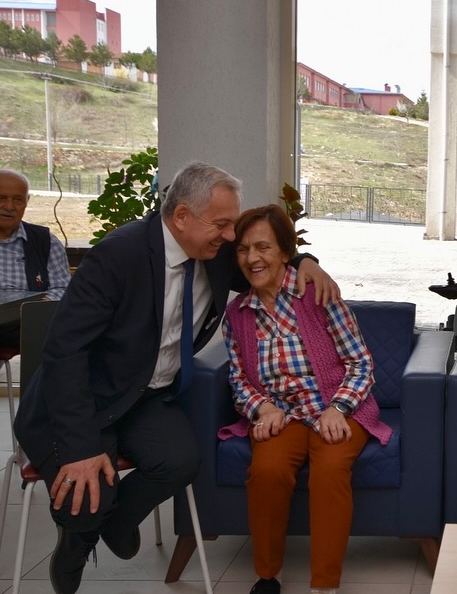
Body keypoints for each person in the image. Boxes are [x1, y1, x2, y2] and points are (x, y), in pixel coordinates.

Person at [13, 162, 340, 594]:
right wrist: (81, 449)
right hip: (82, 401)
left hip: (143, 398)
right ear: (182, 216)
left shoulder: (214, 251)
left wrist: (305, 261)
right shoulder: (119, 255)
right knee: (86, 499)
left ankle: (119, 521)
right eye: (222, 225)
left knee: (181, 461)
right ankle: (79, 540)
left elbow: (265, 257)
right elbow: (64, 353)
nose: (231, 237)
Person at [222, 205, 390, 594]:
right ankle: (267, 576)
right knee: (266, 471)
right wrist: (262, 408)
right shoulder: (237, 312)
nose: (252, 258)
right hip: (281, 414)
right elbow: (238, 377)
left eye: (263, 247)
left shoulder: (316, 295)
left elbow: (361, 363)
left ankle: (325, 585)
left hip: (338, 407)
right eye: (244, 249)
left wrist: (339, 407)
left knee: (330, 470)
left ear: (286, 252)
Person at [0, 169, 71, 348]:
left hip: (26, 326)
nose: (9, 206)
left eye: (18, 199)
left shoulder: (45, 242)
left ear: (27, 202)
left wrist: (37, 307)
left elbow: (63, 288)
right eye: (1, 198)